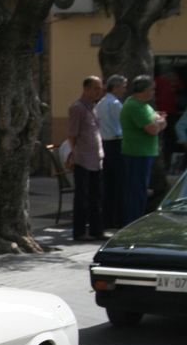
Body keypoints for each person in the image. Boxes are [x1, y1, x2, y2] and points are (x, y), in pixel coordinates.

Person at [120, 75, 168, 224]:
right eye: (152, 89)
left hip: (145, 153)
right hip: (137, 153)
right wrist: (160, 121)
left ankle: (137, 220)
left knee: (142, 190)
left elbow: (158, 123)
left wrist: (158, 121)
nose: (154, 92)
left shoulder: (144, 105)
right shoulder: (134, 106)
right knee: (137, 191)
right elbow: (153, 129)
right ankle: (133, 222)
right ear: (143, 90)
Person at [66, 75, 106, 241]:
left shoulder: (93, 107)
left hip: (96, 159)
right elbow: (72, 135)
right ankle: (80, 231)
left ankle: (97, 230)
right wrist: (74, 154)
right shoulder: (78, 108)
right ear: (86, 89)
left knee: (96, 196)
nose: (99, 92)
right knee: (82, 196)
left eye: (100, 89)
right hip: (83, 159)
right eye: (95, 88)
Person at [97, 74, 127, 229]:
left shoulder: (101, 103)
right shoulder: (115, 103)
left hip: (105, 143)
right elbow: (124, 124)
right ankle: (119, 218)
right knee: (119, 183)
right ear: (115, 87)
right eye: (123, 87)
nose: (125, 90)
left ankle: (107, 218)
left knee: (109, 183)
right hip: (115, 143)